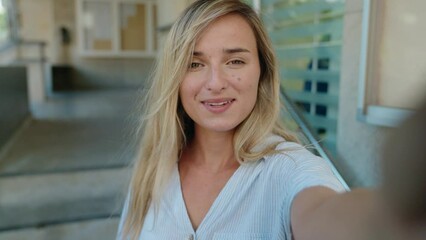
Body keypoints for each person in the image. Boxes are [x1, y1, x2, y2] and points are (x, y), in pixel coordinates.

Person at [117, 1, 381, 239]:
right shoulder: (154, 167)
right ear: (174, 77)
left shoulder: (289, 168)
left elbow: (323, 214)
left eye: (235, 61)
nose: (216, 83)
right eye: (195, 64)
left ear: (262, 73)